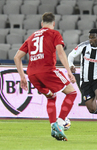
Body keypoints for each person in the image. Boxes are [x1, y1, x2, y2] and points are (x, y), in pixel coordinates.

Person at [14, 12, 77, 141]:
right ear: (53, 23)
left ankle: (53, 127)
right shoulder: (54, 34)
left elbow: (17, 57)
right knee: (72, 93)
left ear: (41, 24)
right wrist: (69, 71)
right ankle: (59, 124)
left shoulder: (31, 37)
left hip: (32, 74)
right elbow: (60, 52)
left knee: (51, 97)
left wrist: (22, 77)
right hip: (47, 70)